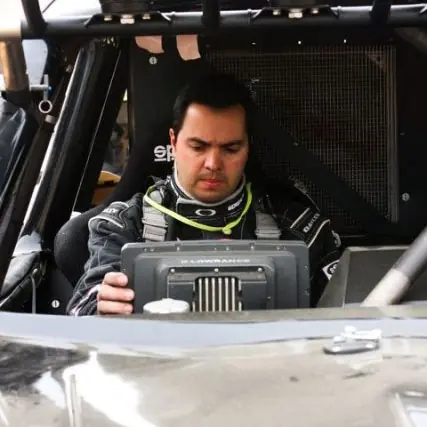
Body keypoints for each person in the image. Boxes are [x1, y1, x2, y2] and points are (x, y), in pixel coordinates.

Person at [66, 72, 342, 316]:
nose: (213, 163)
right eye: (198, 147)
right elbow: (81, 308)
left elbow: (352, 310)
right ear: (174, 142)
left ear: (248, 147)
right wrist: (99, 306)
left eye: (230, 149)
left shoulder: (298, 226)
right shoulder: (124, 224)